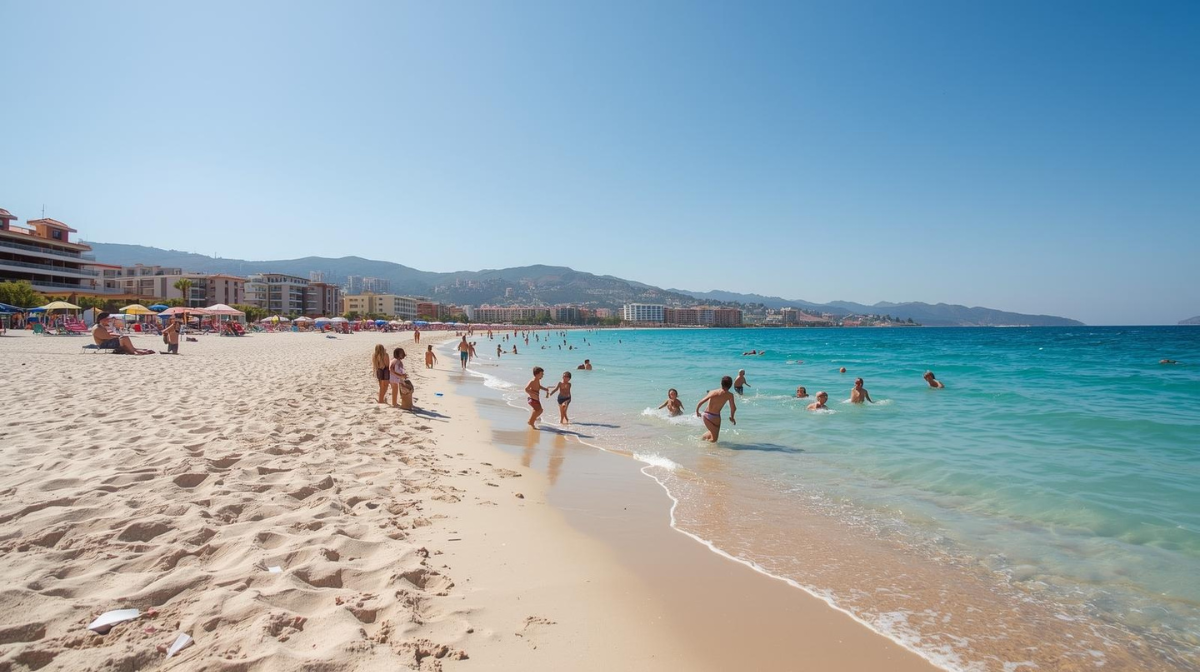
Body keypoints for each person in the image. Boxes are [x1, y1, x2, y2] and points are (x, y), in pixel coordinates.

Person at [695, 376, 737, 442]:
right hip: (716, 417)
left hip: (707, 415)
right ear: (731, 385)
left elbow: (701, 401)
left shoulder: (713, 392)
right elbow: (733, 408)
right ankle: (706, 449)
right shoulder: (730, 395)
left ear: (721, 383)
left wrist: (697, 411)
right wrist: (732, 417)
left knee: (713, 434)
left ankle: (701, 439)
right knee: (714, 439)